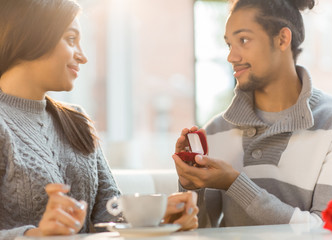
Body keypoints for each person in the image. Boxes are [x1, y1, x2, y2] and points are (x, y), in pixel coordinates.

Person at [0, 0, 198, 239]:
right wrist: (33, 234)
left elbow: (110, 215)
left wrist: (159, 219)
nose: (82, 57)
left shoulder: (77, 121)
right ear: (30, 36)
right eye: (71, 40)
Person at [172, 0, 332, 228]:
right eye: (229, 44)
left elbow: (329, 231)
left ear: (282, 39)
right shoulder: (216, 130)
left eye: (243, 40)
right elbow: (201, 231)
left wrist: (235, 184)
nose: (231, 57)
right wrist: (191, 185)